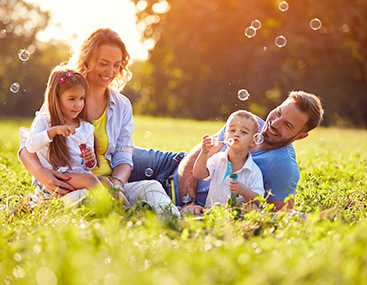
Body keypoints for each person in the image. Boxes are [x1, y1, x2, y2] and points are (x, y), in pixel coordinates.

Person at [18, 28, 180, 216]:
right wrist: (41, 174)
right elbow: (27, 145)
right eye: (104, 63)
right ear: (87, 59)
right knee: (87, 200)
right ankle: (127, 219)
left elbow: (123, 154)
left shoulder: (121, 105)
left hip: (107, 186)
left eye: (116, 65)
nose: (110, 72)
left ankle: (176, 223)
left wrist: (117, 185)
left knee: (151, 187)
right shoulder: (65, 95)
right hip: (70, 187)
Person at [128, 91, 324, 215]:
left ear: (300, 136)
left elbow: (280, 215)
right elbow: (196, 156)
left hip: (177, 200)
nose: (274, 123)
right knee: (113, 156)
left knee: (112, 188)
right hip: (171, 164)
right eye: (279, 112)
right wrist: (189, 200)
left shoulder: (284, 167)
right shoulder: (249, 122)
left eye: (287, 125)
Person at [24, 66, 130, 207]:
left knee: (105, 182)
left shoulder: (85, 127)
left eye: (82, 98)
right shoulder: (45, 121)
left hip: (77, 177)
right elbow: (30, 146)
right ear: (56, 98)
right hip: (57, 179)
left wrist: (90, 160)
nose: (78, 105)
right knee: (90, 180)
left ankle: (129, 210)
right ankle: (110, 209)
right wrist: (53, 131)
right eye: (72, 99)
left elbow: (87, 166)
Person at [193, 110, 265, 208]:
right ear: (225, 137)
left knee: (253, 208)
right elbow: (198, 174)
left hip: (238, 215)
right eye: (232, 130)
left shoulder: (253, 170)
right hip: (214, 213)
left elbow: (259, 200)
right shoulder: (217, 159)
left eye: (244, 132)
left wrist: (244, 191)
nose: (236, 134)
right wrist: (204, 153)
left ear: (253, 142)